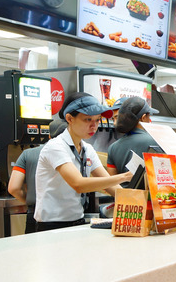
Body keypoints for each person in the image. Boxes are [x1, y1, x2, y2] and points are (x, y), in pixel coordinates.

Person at [34, 92, 133, 232]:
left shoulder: (87, 149)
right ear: (69, 118)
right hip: (52, 225)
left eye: (97, 120)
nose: (94, 126)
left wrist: (137, 201)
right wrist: (125, 176)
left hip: (77, 221)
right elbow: (78, 184)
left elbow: (109, 184)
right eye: (88, 120)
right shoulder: (55, 147)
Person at [8, 119, 67, 234]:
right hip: (65, 216)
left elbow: (13, 188)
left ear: (49, 136)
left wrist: (31, 200)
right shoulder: (74, 153)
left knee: (34, 251)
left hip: (35, 213)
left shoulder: (27, 154)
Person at [105, 96, 160, 175]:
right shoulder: (157, 141)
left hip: (120, 187)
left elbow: (111, 181)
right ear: (143, 117)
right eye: (149, 116)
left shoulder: (113, 147)